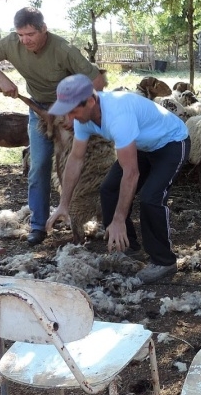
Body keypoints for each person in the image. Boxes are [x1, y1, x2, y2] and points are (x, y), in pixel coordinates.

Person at [0, 7, 106, 246]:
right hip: (38, 112)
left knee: (76, 166)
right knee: (38, 165)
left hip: (67, 111)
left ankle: (86, 218)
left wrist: (75, 108)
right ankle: (38, 225)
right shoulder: (12, 43)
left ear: (44, 29)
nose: (25, 40)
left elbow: (98, 80)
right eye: (21, 35)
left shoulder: (63, 49)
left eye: (31, 34)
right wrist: (2, 78)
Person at [45, 74, 190, 284]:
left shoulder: (118, 116)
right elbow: (75, 160)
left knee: (151, 198)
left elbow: (131, 173)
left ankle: (164, 261)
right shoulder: (82, 118)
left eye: (73, 111)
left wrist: (119, 218)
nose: (69, 119)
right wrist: (63, 204)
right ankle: (128, 246)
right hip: (141, 145)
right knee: (108, 189)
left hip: (171, 143)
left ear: (91, 101)